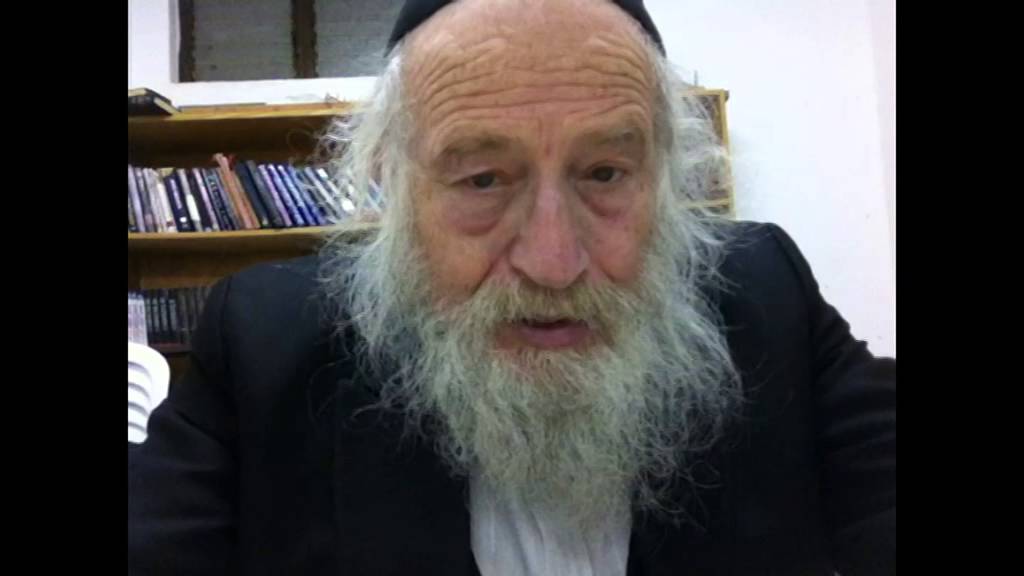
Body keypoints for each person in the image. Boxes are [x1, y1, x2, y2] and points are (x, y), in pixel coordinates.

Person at [128, 1, 896, 574]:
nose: (553, 262)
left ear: (664, 178)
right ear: (393, 188)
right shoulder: (267, 339)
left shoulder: (766, 295)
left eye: (605, 173)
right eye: (482, 179)